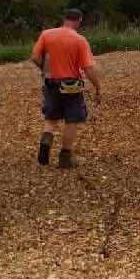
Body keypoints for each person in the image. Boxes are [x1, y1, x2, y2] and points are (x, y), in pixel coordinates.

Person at [30, 9, 102, 168]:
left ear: (64, 19)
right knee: (72, 118)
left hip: (50, 82)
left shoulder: (46, 34)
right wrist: (97, 86)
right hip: (71, 85)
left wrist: (44, 69)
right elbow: (88, 68)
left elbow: (34, 57)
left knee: (51, 117)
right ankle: (65, 157)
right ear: (79, 21)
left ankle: (46, 142)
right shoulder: (79, 40)